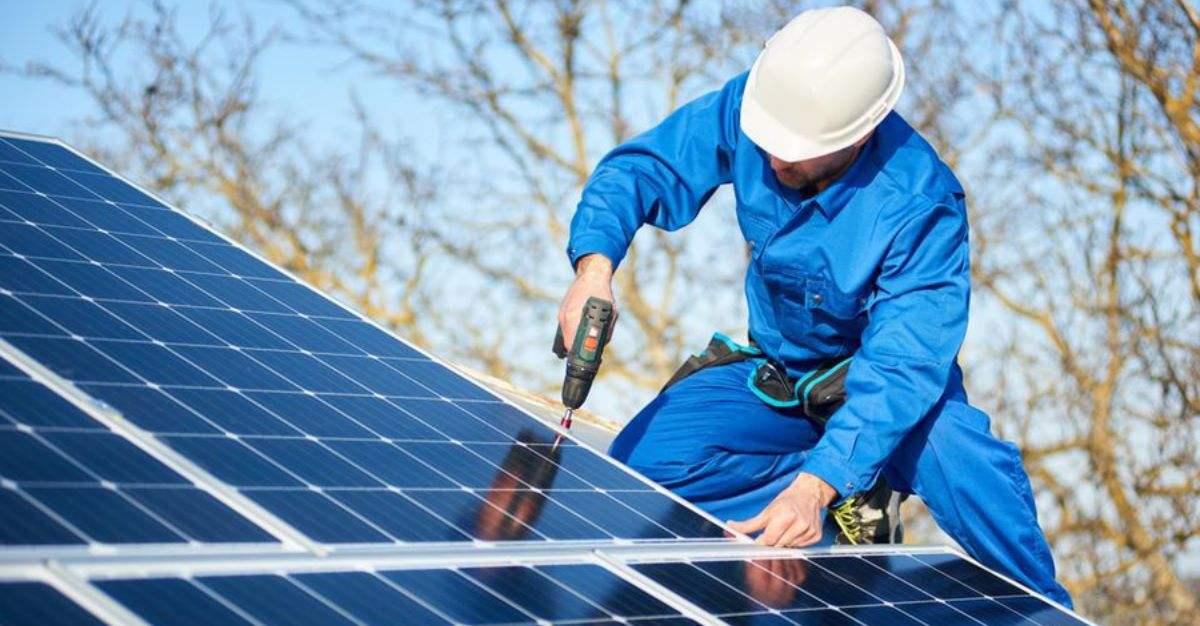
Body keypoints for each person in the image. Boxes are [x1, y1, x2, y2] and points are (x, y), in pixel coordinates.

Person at [556, 5, 1072, 608]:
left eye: (796, 153)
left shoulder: (920, 203)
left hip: (877, 392)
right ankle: (852, 493)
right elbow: (645, 168)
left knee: (967, 468)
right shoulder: (757, 106)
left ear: (857, 135)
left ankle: (1046, 610)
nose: (774, 162)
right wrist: (595, 268)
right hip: (779, 379)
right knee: (638, 468)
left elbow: (903, 366)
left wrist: (821, 481)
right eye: (768, 145)